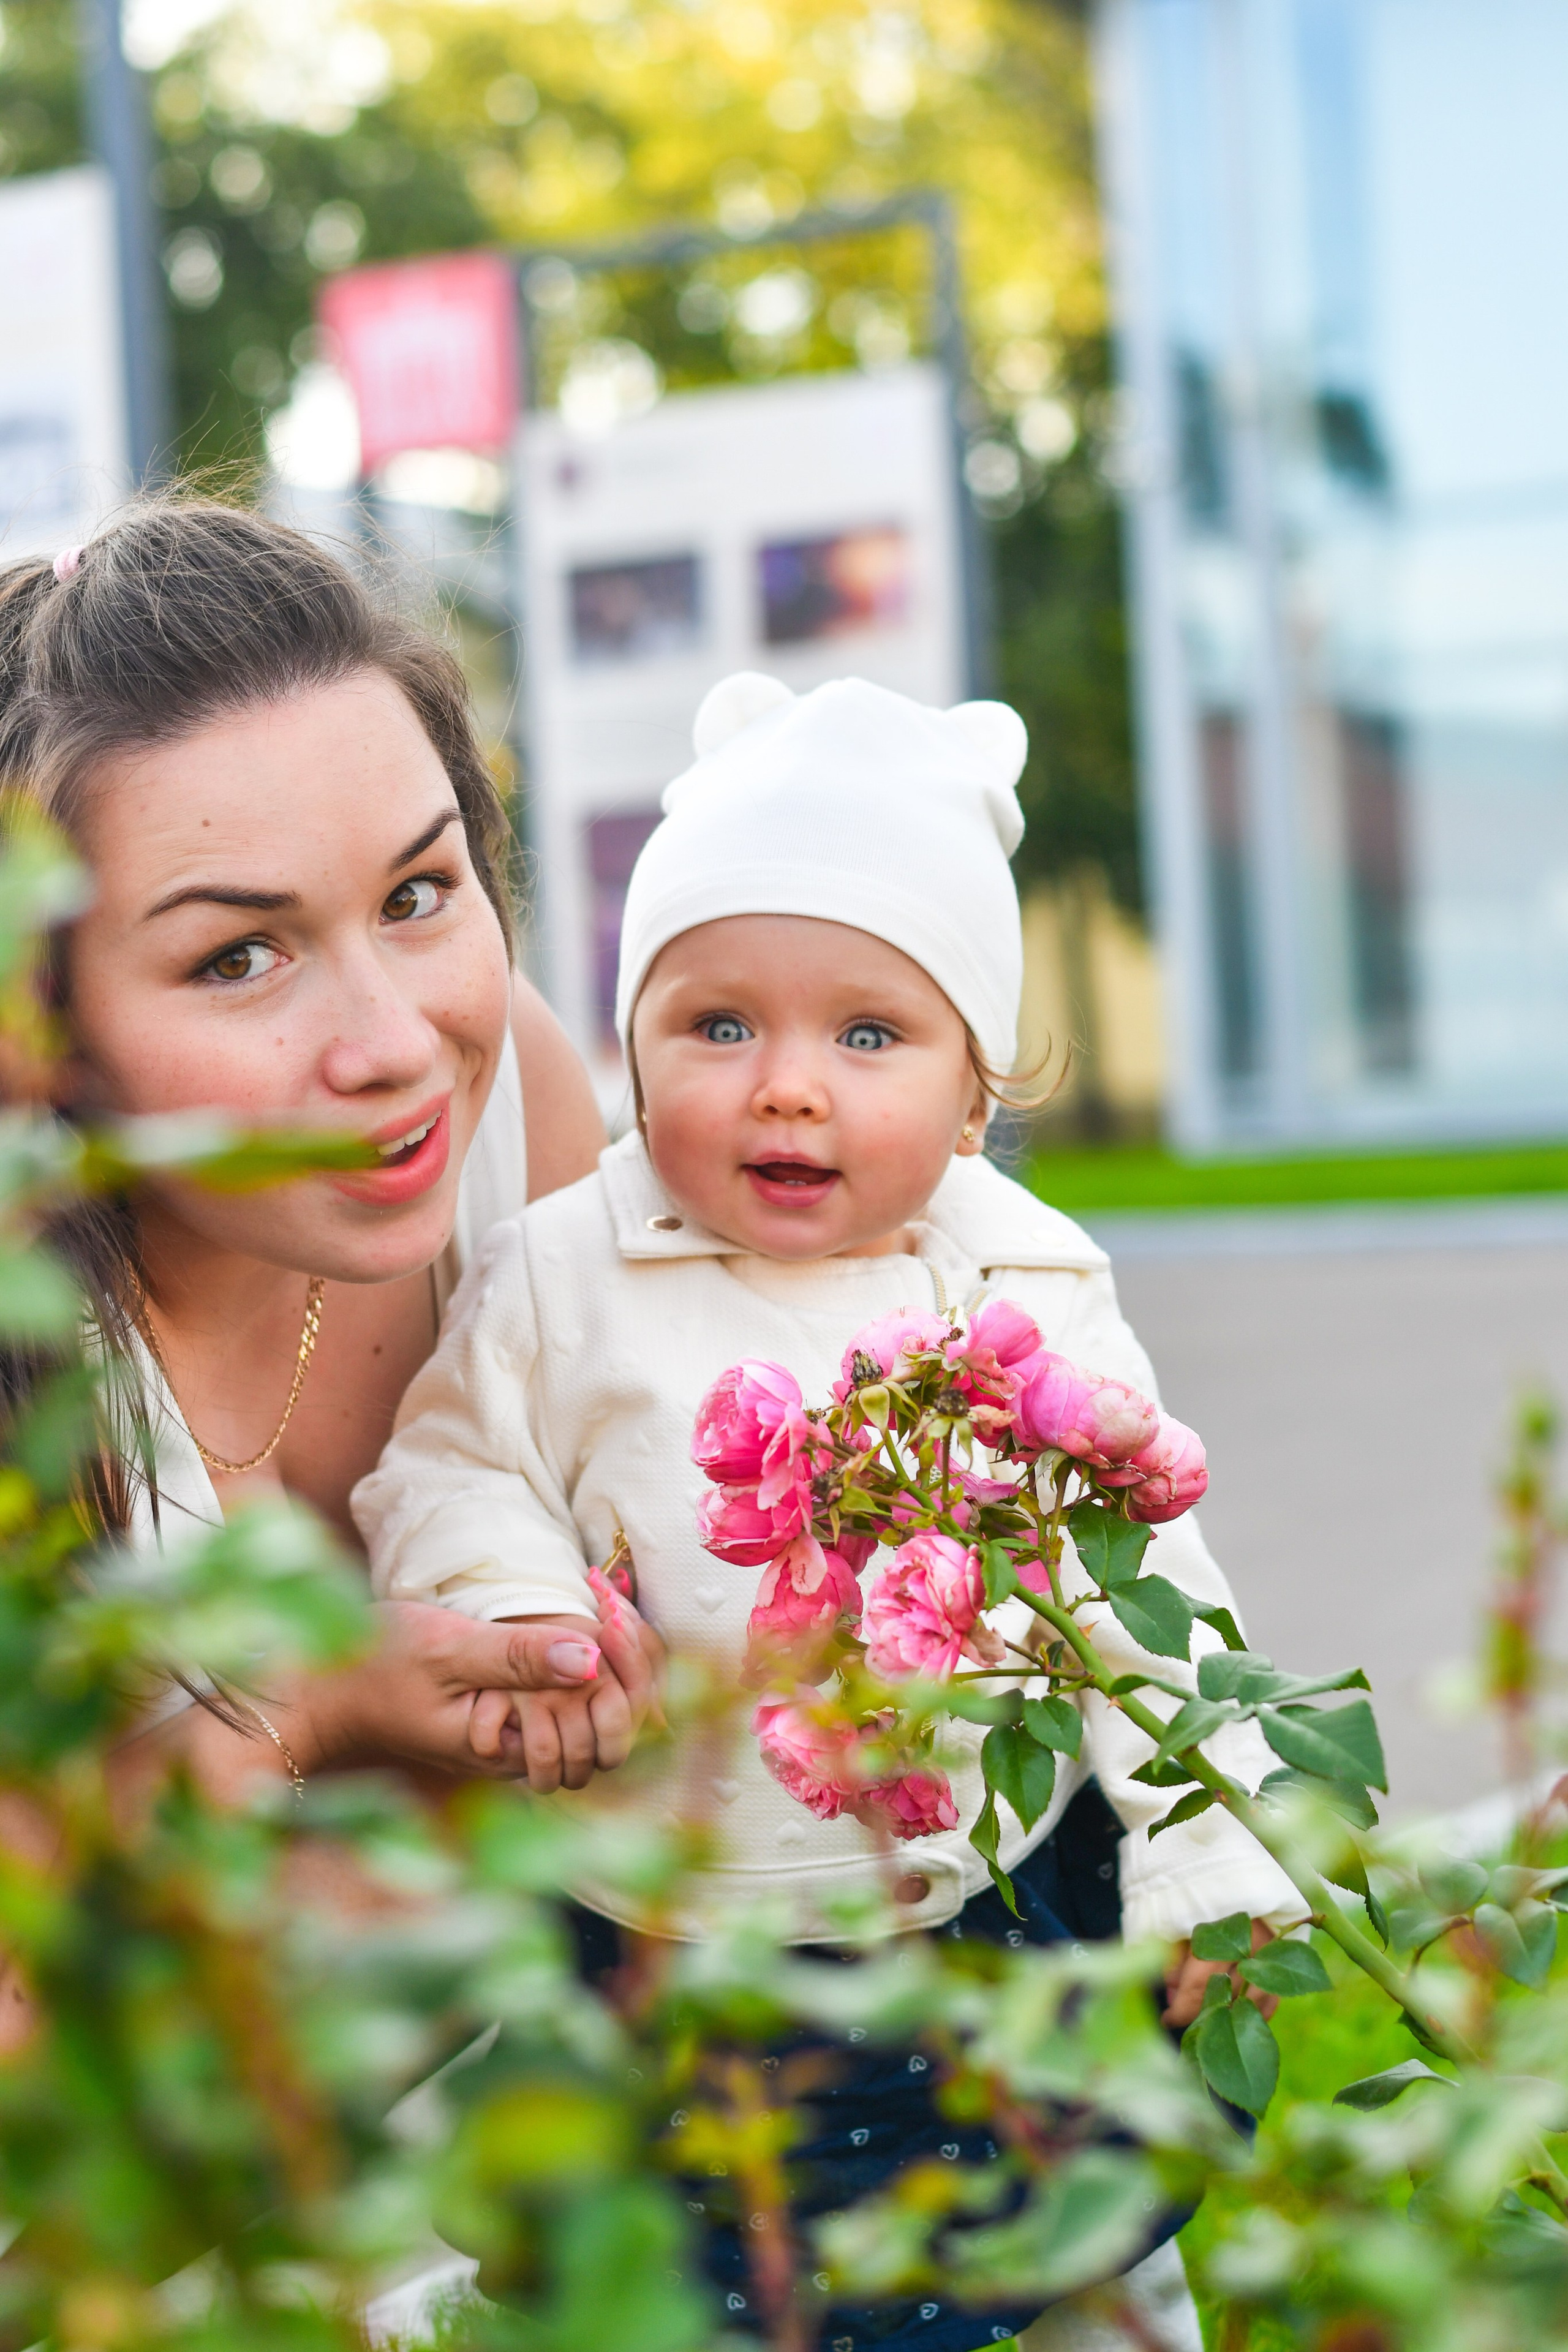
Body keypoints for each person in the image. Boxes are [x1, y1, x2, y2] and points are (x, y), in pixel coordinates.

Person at [354, 671, 1299, 2352]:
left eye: (867, 1034)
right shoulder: (565, 1276)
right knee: (718, 2280)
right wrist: (519, 1613)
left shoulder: (1020, 1276)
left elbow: (1144, 1580)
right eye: (719, 1025)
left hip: (996, 1902)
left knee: (1078, 2239)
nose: (787, 1086)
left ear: (976, 1085)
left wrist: (1208, 1864)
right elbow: (453, 1467)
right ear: (636, 1038)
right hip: (683, 1928)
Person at [0, 496, 660, 1823]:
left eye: (417, 895)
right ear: (43, 1025)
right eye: (239, 958)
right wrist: (319, 1707)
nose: (394, 1044)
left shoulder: (517, 1091)